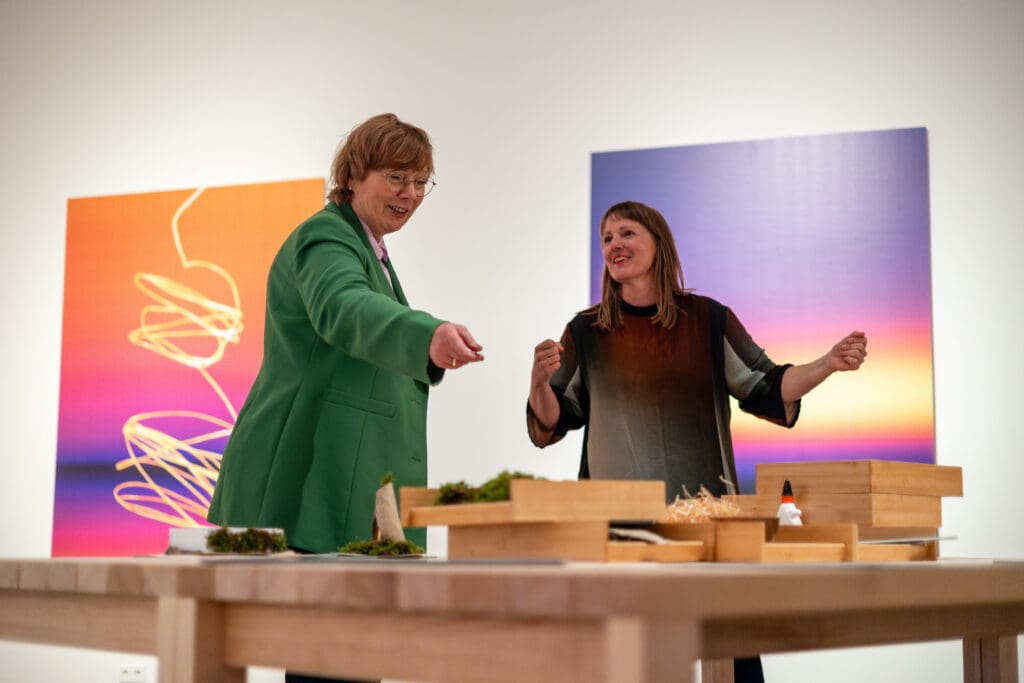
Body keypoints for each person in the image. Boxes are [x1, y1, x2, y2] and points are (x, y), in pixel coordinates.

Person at [527, 200, 867, 683]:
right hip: (616, 533)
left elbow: (767, 386)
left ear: (658, 243)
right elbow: (554, 419)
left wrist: (826, 364)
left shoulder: (709, 319)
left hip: (706, 526)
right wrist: (538, 383)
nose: (614, 244)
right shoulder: (586, 331)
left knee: (732, 651)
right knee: (622, 663)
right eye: (606, 238)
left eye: (626, 233)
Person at [207, 113, 483, 683]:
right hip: (314, 476)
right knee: (331, 663)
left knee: (350, 661)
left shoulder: (370, 247)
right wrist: (425, 335)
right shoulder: (326, 237)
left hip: (348, 488)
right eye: (396, 177)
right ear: (353, 176)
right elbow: (344, 306)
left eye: (420, 182)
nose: (409, 194)